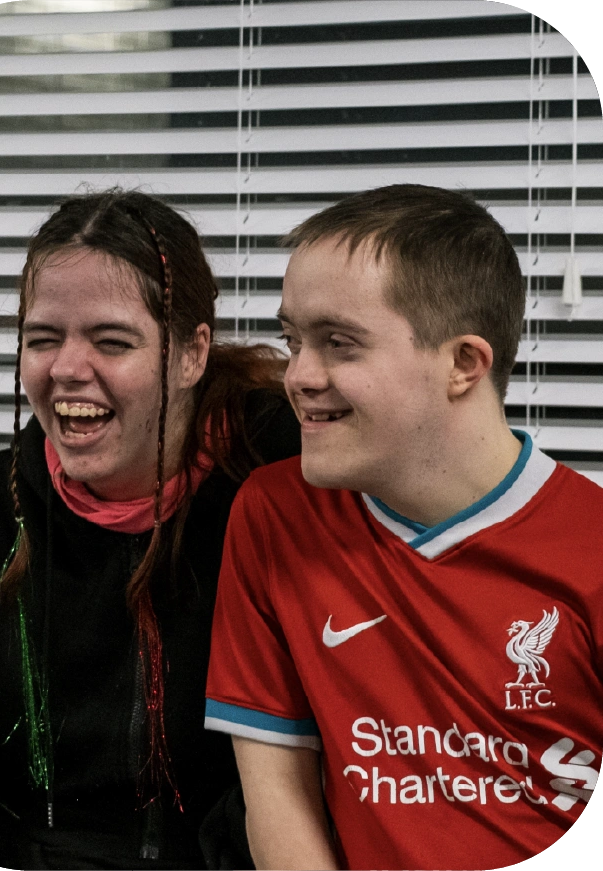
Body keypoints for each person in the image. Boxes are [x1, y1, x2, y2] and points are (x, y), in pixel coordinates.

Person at [204, 185, 603, 870]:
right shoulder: (273, 512)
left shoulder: (587, 545)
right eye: (292, 339)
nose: (297, 375)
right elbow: (275, 792)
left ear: (462, 364)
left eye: (337, 343)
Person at [0, 190, 300, 870]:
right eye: (41, 338)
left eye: (111, 341)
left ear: (190, 353)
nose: (65, 369)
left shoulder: (278, 492)